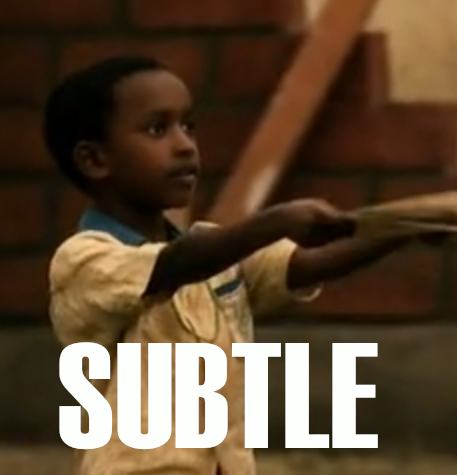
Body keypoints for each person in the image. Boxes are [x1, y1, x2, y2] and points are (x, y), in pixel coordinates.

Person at [44, 56, 418, 475]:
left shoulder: (213, 251)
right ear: (95, 160)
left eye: (189, 126)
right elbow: (174, 265)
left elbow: (309, 263)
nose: (185, 145)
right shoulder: (85, 261)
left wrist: (408, 225)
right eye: (157, 129)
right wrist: (276, 221)